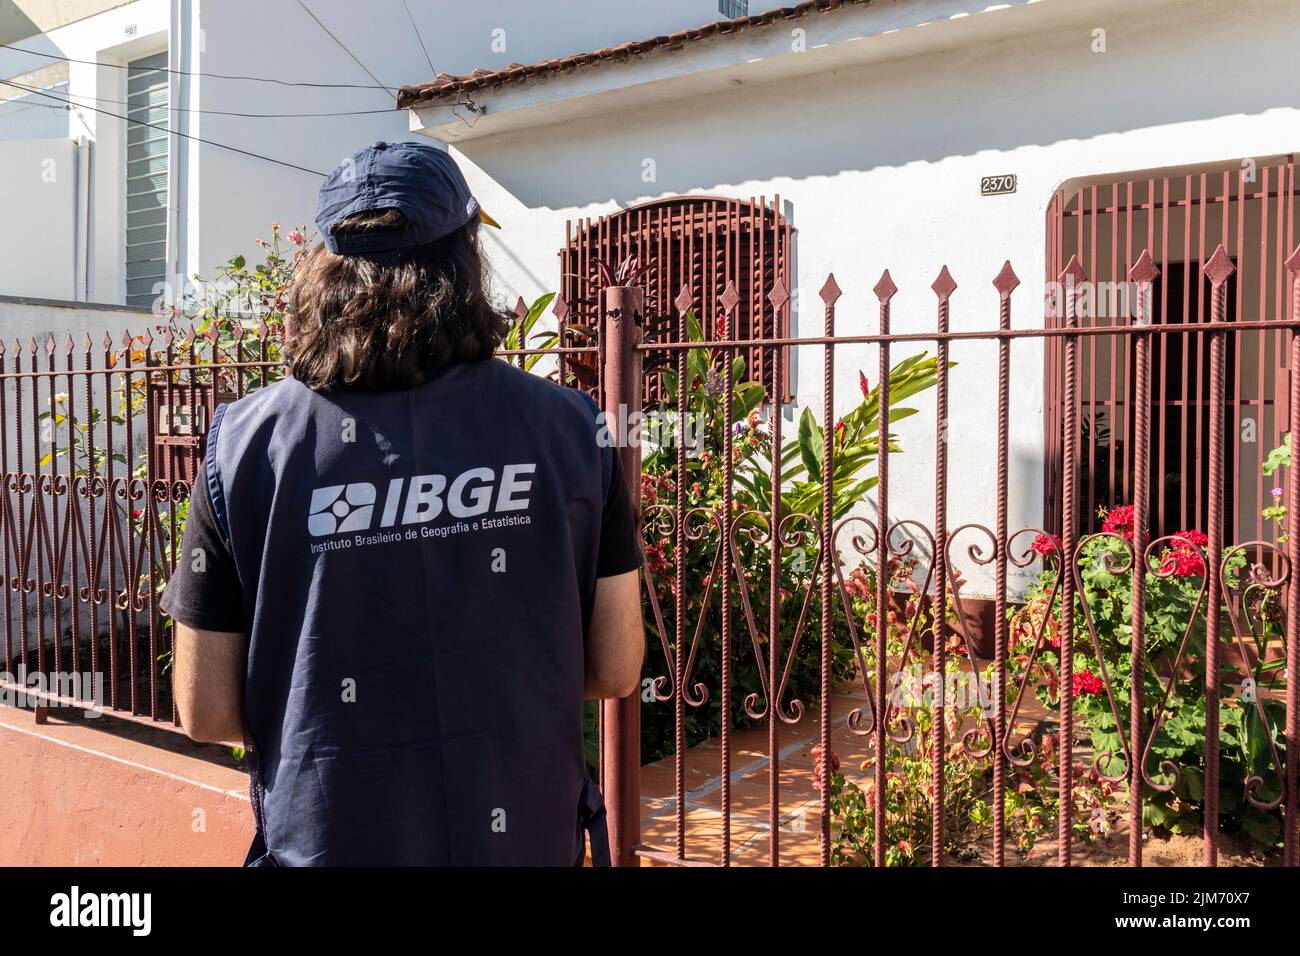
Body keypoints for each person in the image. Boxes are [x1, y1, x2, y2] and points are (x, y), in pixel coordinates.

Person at [160, 140, 645, 866]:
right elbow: (614, 667)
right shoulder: (572, 430)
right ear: (466, 259)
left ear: (323, 269)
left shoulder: (246, 444)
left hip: (327, 843)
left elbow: (206, 710)